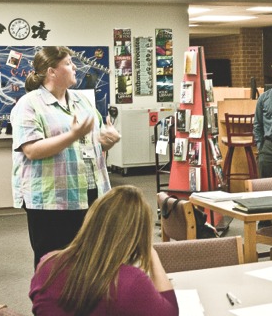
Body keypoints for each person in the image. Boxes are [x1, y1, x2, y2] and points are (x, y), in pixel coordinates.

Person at [11, 46, 121, 268]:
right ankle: (51, 304)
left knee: (90, 260)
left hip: (90, 192)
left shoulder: (82, 101)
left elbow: (92, 143)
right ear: (52, 71)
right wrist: (72, 135)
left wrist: (106, 141)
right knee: (54, 264)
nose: (75, 67)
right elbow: (31, 150)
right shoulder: (29, 104)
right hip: (52, 199)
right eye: (69, 63)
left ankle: (85, 303)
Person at [30, 186, 179, 316]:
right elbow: (170, 313)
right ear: (138, 236)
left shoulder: (47, 264)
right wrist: (150, 251)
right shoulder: (130, 282)